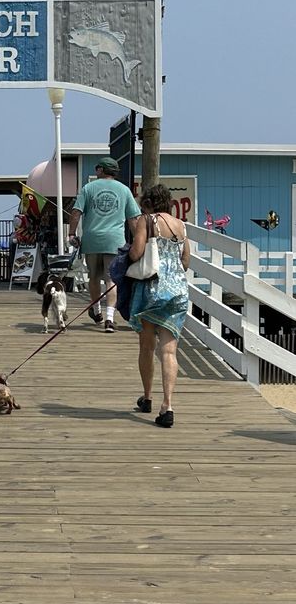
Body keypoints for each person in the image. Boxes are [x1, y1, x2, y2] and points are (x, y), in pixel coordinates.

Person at [128, 184, 190, 427]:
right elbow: (186, 261)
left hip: (152, 289)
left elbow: (136, 252)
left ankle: (147, 397)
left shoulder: (147, 220)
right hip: (178, 291)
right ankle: (168, 405)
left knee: (147, 346)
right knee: (169, 351)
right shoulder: (181, 225)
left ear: (148, 203)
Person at [68, 156, 141, 332]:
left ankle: (96, 311)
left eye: (97, 168)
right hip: (114, 241)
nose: (96, 171)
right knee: (111, 279)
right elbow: (133, 219)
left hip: (92, 240)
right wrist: (138, 240)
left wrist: (71, 233)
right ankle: (110, 318)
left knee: (93, 277)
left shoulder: (88, 188)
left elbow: (76, 212)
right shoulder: (124, 190)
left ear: (101, 170)